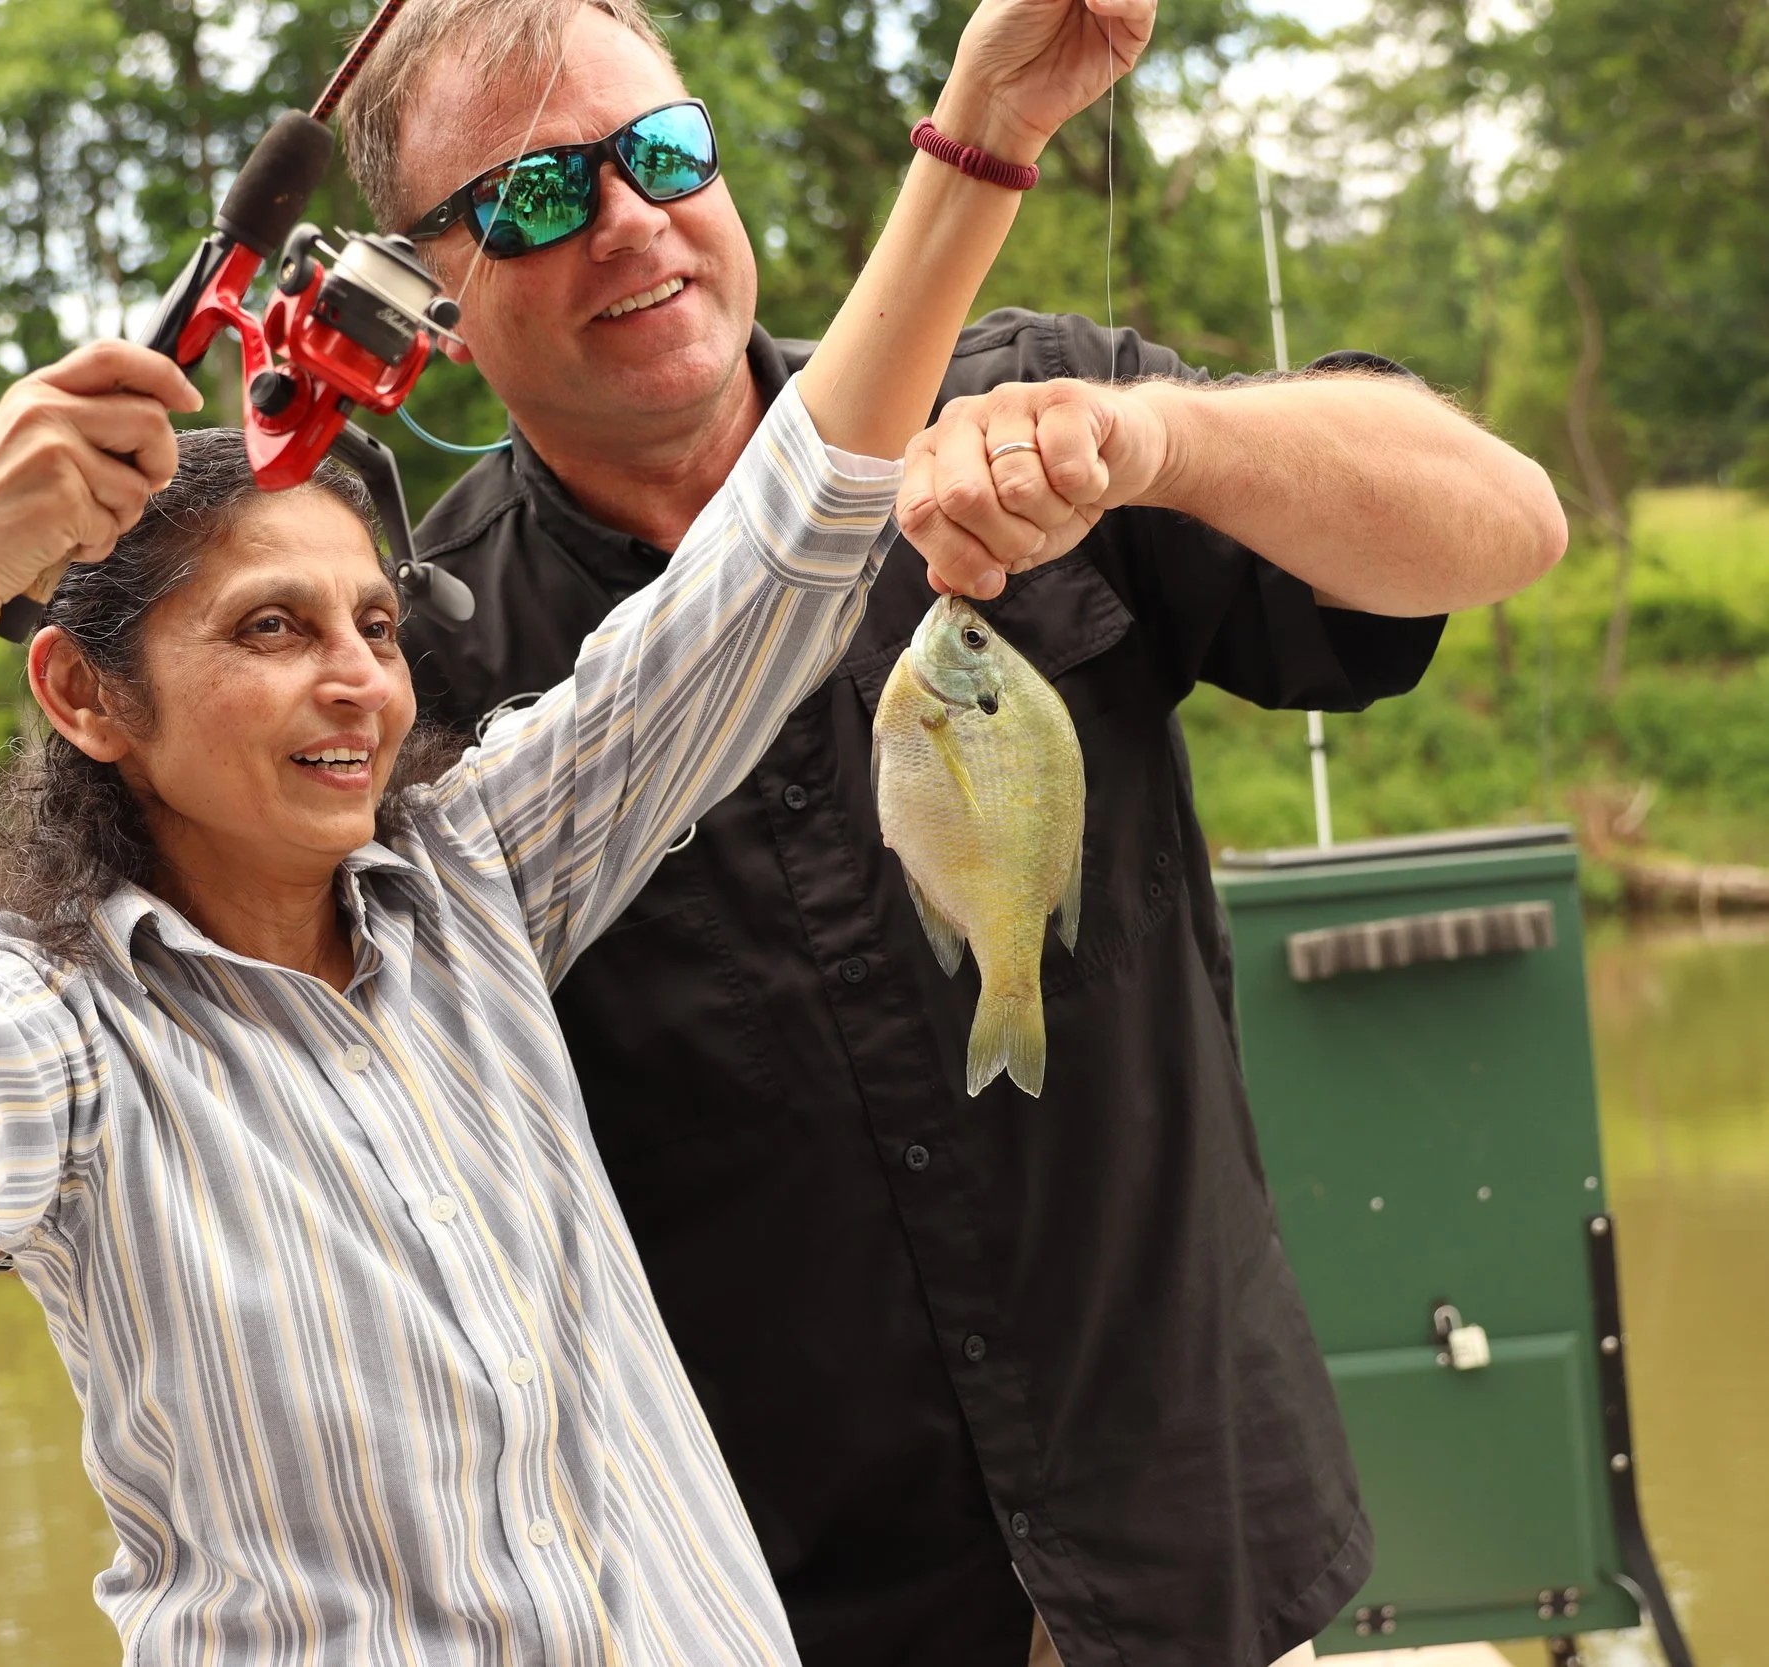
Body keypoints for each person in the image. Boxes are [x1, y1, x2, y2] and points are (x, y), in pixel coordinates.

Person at [0, 3, 1145, 1658]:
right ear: (86, 698)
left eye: (378, 629)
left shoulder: (472, 881)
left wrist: (987, 122)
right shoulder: (60, 1030)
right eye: (267, 631)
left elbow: (786, 545)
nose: (354, 687)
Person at [300, 3, 1558, 1665]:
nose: (628, 218)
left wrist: (1161, 445)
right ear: (431, 299)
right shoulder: (421, 666)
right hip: (782, 1608)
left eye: (663, 154)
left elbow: (1502, 526)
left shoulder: (1033, 410)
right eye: (534, 197)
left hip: (1195, 1558)